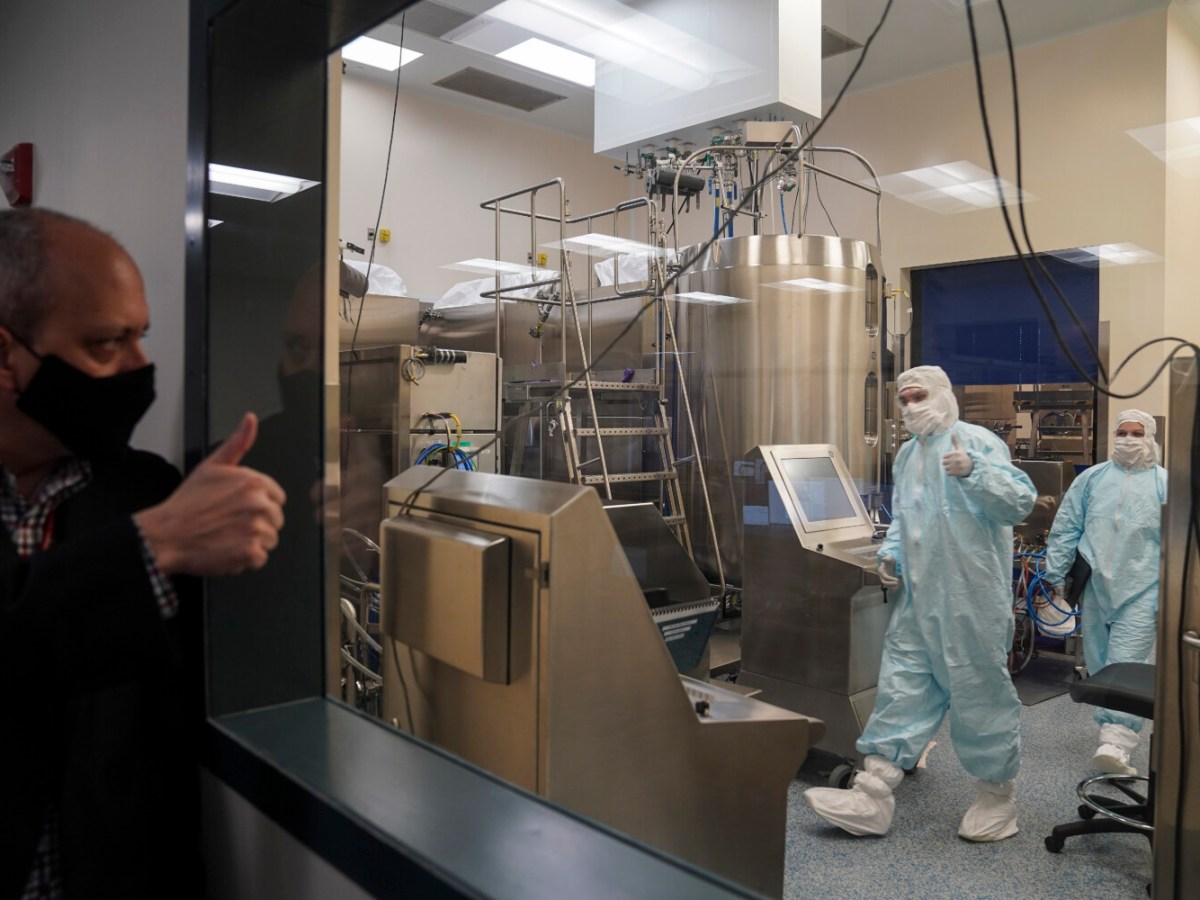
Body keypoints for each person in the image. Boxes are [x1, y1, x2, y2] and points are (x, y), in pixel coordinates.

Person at [0, 208, 286, 897]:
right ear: (7, 359)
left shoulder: (150, 491)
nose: (142, 368)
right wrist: (149, 549)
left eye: (141, 337)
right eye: (107, 343)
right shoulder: (158, 527)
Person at [804, 365, 1036, 841]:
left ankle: (998, 798)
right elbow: (906, 519)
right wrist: (890, 554)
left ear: (943, 395)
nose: (912, 406)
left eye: (919, 396)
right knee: (901, 689)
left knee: (980, 696)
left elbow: (1018, 503)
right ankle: (873, 796)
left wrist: (975, 473)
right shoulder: (908, 454)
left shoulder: (977, 442)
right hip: (919, 601)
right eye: (905, 400)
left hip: (972, 601)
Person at [1042, 409, 1166, 776]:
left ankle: (1117, 741)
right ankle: (1109, 732)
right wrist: (1056, 573)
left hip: (1142, 589)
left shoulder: (1164, 484)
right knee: (1099, 664)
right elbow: (1067, 526)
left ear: (1151, 438)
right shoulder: (1093, 479)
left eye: (1137, 433)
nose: (1128, 440)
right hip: (1096, 588)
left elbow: (1176, 543)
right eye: (1122, 432)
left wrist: (1170, 593)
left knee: (1126, 662)